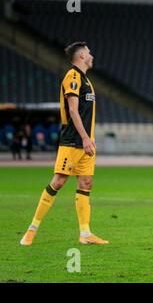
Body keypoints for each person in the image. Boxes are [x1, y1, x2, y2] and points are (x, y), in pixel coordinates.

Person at [20, 42, 108, 246]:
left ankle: (85, 234)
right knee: (58, 181)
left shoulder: (86, 80)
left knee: (85, 183)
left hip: (86, 143)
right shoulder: (73, 77)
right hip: (72, 141)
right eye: (89, 53)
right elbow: (73, 111)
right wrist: (86, 138)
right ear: (82, 56)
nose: (92, 55)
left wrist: (89, 139)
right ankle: (31, 230)